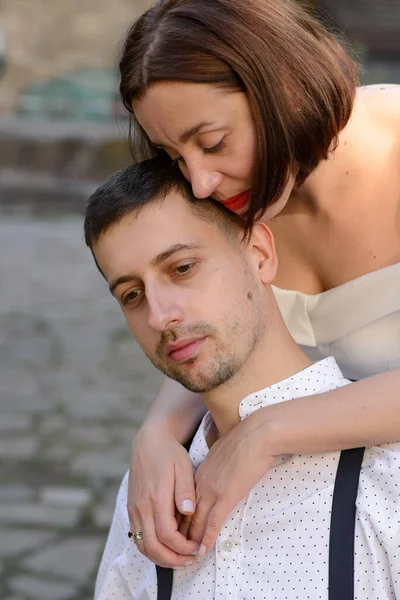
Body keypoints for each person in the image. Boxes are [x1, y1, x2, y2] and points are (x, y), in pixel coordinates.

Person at [118, 0, 400, 569]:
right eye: (175, 156)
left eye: (214, 142)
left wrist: (267, 430)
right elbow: (228, 327)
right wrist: (158, 434)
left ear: (283, 89)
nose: (199, 184)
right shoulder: (241, 198)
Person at [85, 157, 400, 599]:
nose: (159, 316)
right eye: (131, 295)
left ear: (260, 255)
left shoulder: (386, 477)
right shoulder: (151, 488)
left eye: (182, 268)